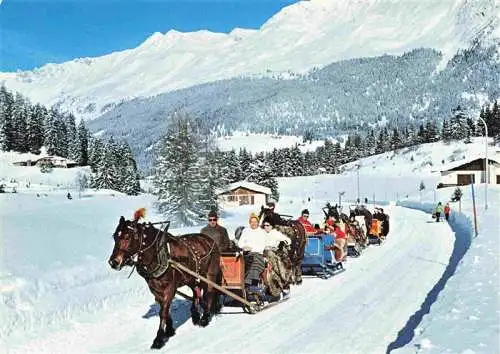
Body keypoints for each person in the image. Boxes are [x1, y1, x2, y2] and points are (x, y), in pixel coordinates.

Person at [237, 213, 267, 287]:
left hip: (257, 254)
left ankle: (252, 284)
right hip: (245, 253)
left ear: (258, 222)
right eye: (252, 222)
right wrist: (244, 247)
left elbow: (262, 246)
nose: (253, 223)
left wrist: (251, 248)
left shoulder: (262, 232)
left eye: (255, 222)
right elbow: (240, 243)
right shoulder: (246, 231)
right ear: (249, 222)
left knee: (255, 263)